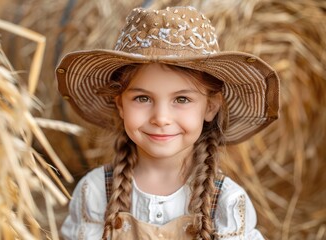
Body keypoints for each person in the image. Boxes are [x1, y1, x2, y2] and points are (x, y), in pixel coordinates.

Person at [56, 6, 279, 240]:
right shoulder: (96, 192)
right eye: (142, 98)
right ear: (120, 104)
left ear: (210, 106)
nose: (161, 118)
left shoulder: (226, 202)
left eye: (182, 99)